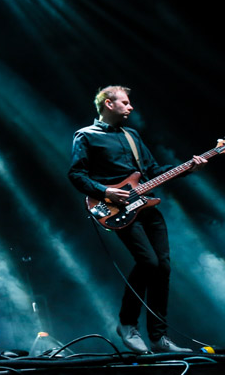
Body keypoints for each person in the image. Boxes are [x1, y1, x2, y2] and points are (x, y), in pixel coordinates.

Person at [69, 86, 205, 354]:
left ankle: (159, 337)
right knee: (148, 262)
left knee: (163, 267)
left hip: (146, 206)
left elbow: (153, 172)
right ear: (109, 104)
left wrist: (190, 167)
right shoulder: (86, 136)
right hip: (115, 208)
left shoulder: (132, 136)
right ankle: (127, 324)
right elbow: (76, 175)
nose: (130, 107)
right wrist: (105, 191)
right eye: (125, 102)